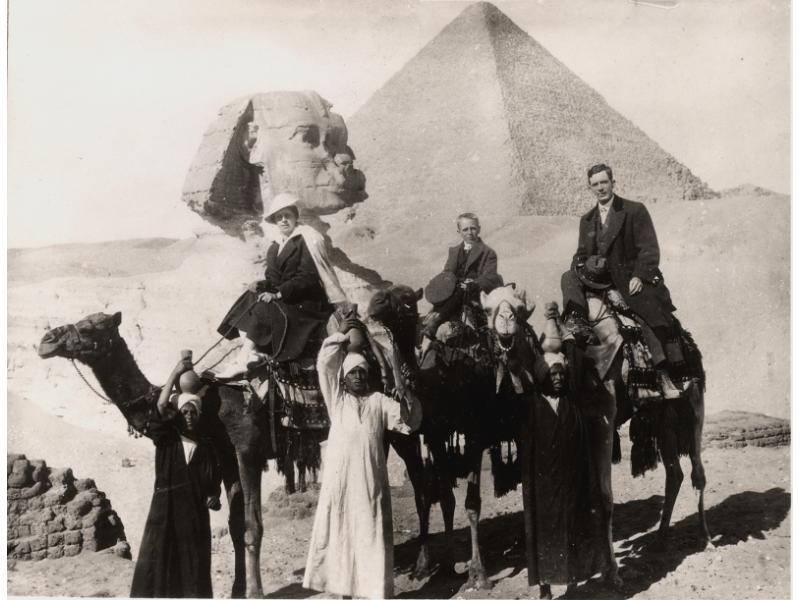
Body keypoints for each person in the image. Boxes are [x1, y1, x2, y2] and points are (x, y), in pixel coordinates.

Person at [303, 319, 422, 600]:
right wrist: (343, 334)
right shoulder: (336, 400)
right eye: (352, 372)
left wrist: (406, 393)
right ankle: (344, 593)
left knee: (370, 537)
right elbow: (324, 364)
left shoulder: (379, 401)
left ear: (368, 376)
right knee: (342, 536)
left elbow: (410, 421)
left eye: (362, 372)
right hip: (342, 487)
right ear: (343, 378)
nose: (357, 376)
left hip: (370, 487)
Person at [560, 164, 683, 398]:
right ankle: (576, 320)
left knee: (644, 315)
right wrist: (581, 265)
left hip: (628, 279)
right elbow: (581, 253)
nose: (600, 188)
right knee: (568, 276)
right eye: (595, 184)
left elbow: (649, 250)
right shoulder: (587, 220)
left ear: (613, 183)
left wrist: (639, 275)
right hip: (598, 280)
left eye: (604, 182)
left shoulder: (634, 211)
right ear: (589, 188)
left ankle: (663, 374)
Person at [216, 192, 347, 376]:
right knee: (250, 298)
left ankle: (243, 359)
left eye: (288, 216)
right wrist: (260, 285)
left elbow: (307, 277)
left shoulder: (305, 240)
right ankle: (253, 352)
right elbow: (273, 278)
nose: (284, 220)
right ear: (275, 222)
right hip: (287, 296)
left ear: (295, 217)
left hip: (306, 302)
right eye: (279, 217)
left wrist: (278, 295)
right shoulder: (275, 246)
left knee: (263, 308)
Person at [130, 355, 222, 598]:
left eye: (193, 412)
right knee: (159, 562)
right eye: (184, 412)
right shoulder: (167, 439)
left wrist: (214, 496)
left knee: (193, 566)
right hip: (165, 510)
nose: (189, 416)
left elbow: (214, 483)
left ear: (198, 415)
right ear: (179, 415)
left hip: (193, 515)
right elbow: (161, 407)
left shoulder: (206, 447)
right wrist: (176, 371)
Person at [422, 212, 503, 339]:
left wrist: (474, 283)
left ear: (479, 229)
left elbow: (490, 277)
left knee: (461, 291)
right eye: (465, 229)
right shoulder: (453, 252)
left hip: (475, 294)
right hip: (453, 293)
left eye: (473, 228)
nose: (469, 232)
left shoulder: (488, 253)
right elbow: (447, 274)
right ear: (459, 231)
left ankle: (436, 322)